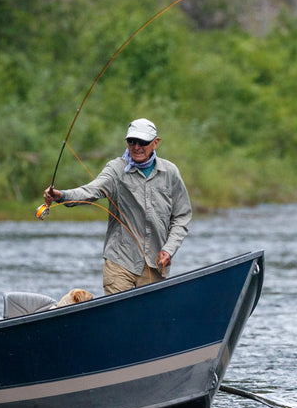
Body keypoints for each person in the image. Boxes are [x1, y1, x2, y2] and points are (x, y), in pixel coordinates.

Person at [43, 117, 192, 295]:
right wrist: (62, 196)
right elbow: (91, 191)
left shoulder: (170, 172)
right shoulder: (115, 169)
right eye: (131, 141)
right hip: (120, 262)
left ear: (155, 143)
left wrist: (169, 249)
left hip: (156, 265)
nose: (136, 147)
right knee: (119, 316)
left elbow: (182, 216)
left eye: (142, 142)